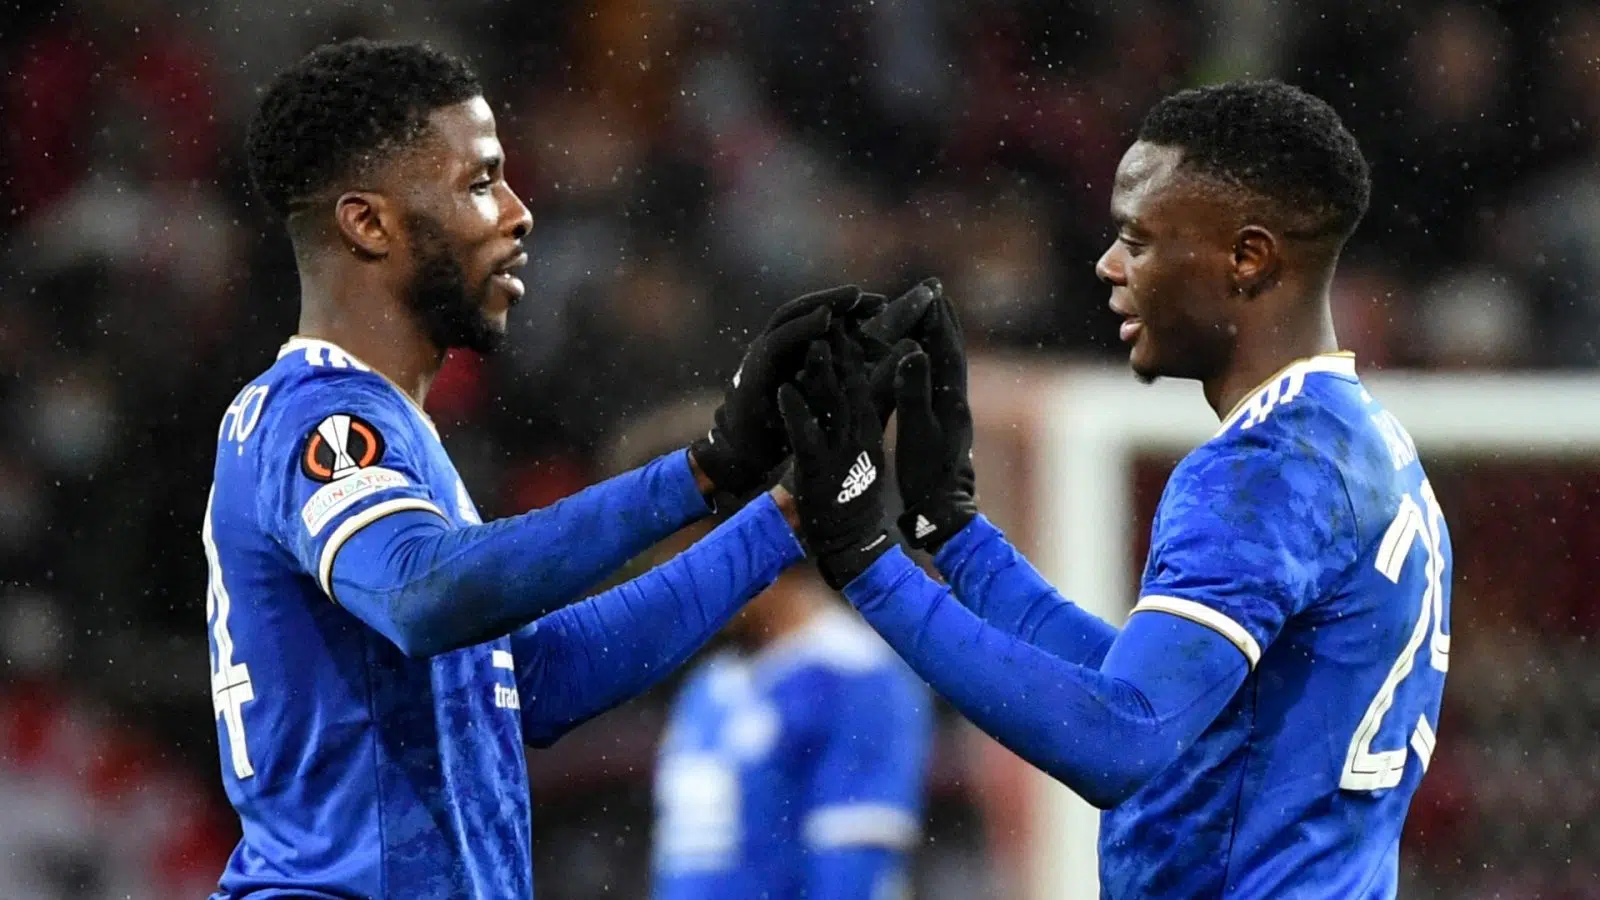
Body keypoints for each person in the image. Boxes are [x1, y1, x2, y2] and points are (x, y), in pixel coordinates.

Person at [205, 37, 931, 899]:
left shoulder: (399, 436)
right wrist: (702, 471)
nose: (518, 213)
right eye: (480, 183)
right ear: (369, 223)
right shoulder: (316, 416)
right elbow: (423, 594)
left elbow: (537, 681)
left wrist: (783, 515)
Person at [777, 80, 1453, 898]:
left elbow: (1117, 739)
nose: (1108, 265)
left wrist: (863, 562)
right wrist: (953, 536)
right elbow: (1150, 697)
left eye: (1137, 238)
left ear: (1248, 258)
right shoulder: (1356, 442)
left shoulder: (1265, 468)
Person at [598, 399, 932, 900]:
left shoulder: (857, 680)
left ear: (740, 535)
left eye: (679, 553)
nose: (666, 579)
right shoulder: (708, 687)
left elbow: (849, 880)